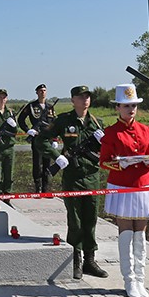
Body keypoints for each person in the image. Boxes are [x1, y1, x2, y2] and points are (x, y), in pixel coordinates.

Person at [99, 84, 149, 297]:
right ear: (118, 107)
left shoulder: (145, 129)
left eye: (133, 105)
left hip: (143, 184)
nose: (131, 109)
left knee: (141, 234)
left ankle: (141, 279)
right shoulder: (111, 132)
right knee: (126, 232)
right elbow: (104, 161)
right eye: (126, 106)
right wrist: (120, 164)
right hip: (122, 185)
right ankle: (129, 280)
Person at [42, 85, 108, 280]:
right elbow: (41, 140)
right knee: (76, 219)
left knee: (91, 219)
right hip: (72, 176)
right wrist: (57, 156)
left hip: (92, 176)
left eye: (87, 96)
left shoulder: (97, 122)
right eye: (81, 97)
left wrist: (105, 142)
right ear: (73, 100)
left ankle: (90, 259)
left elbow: (107, 153)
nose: (85, 99)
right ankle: (76, 259)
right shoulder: (64, 120)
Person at [17, 83, 57, 193]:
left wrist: (54, 139)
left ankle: (45, 188)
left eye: (44, 90)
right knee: (37, 163)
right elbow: (21, 119)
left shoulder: (50, 107)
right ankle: (37, 187)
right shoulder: (31, 106)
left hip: (47, 139)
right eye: (40, 90)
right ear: (37, 92)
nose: (42, 92)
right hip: (37, 138)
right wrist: (28, 130)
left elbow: (54, 123)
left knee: (47, 163)